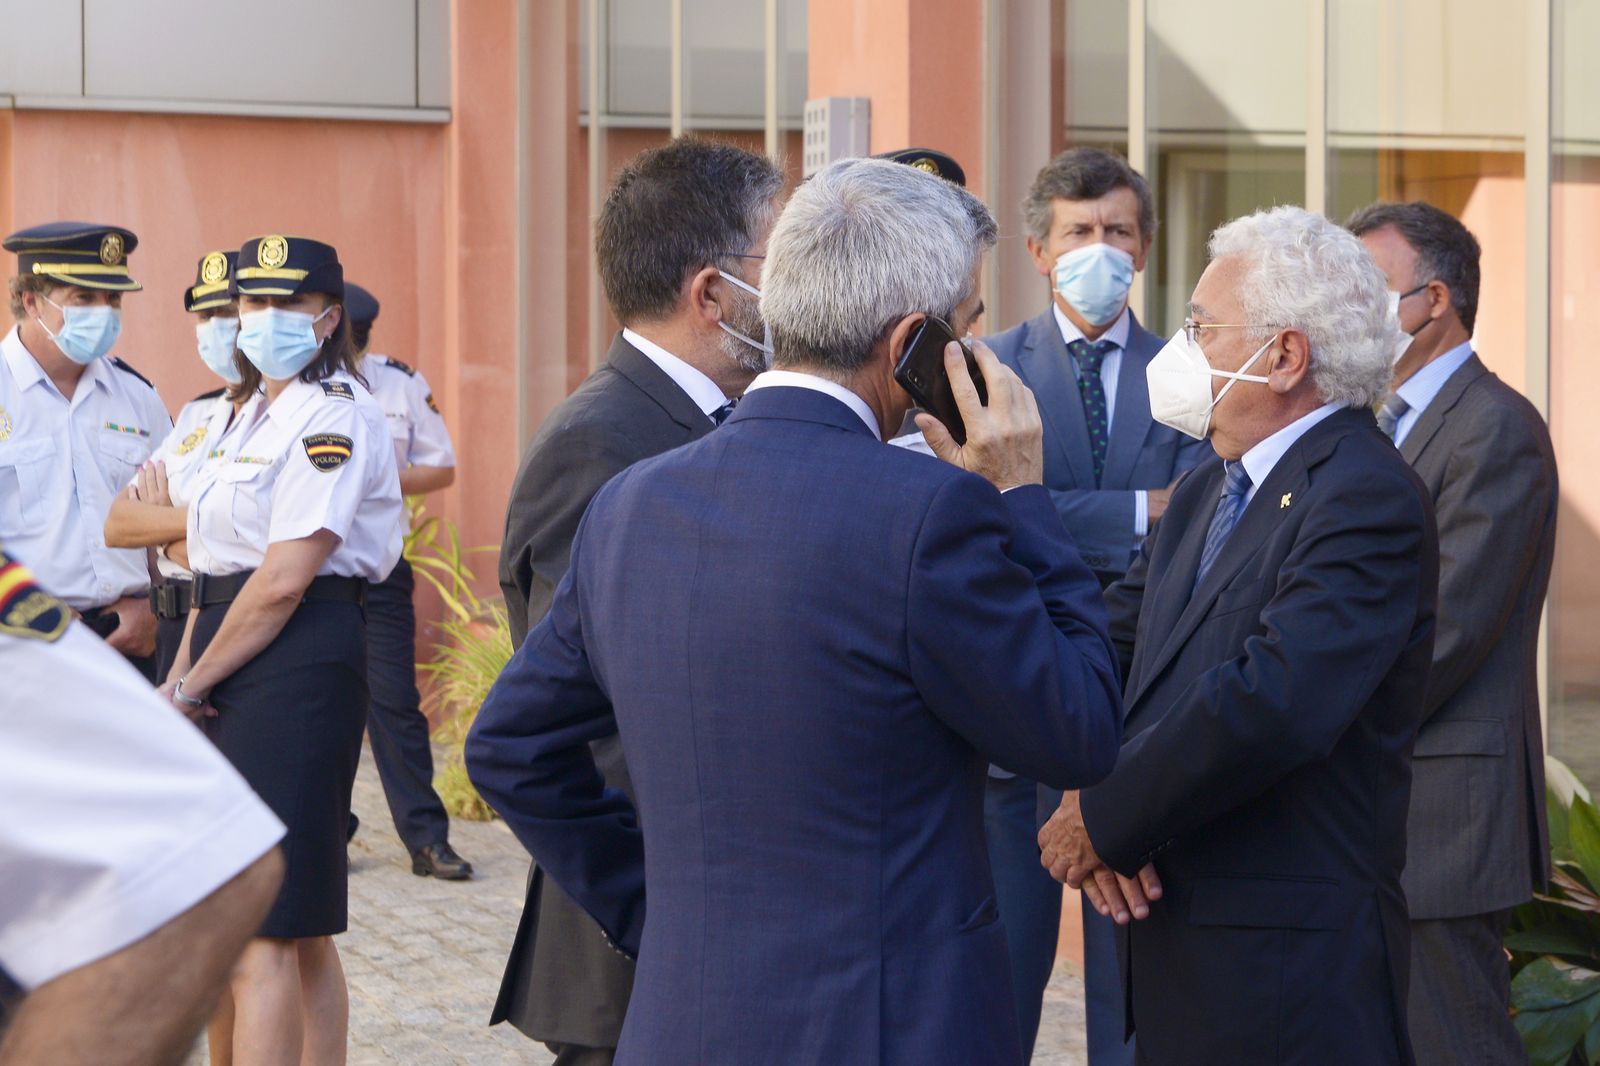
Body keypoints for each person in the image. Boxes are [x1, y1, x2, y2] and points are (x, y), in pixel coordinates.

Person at [467, 156, 1123, 1066]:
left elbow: (510, 746)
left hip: (684, 1018)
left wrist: (655, 910)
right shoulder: (932, 512)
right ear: (913, 346)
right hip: (888, 1028)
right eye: (969, 327)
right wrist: (1021, 495)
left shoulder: (632, 504)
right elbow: (1079, 728)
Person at [1037, 205, 1439, 1065]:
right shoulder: (1205, 493)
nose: (1180, 350)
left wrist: (1107, 818)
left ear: (1285, 355)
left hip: (1287, 980)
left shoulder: (1363, 495)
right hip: (1188, 948)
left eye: (1200, 328)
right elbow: (1113, 654)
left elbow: (1272, 702)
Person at [490, 137, 783, 1066]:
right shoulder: (605, 441)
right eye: (781, 264)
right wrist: (654, 908)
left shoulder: (714, 422)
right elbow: (590, 723)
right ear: (713, 294)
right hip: (643, 959)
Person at [984, 147, 1211, 1063]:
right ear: (1039, 251)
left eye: (1118, 230)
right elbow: (978, 519)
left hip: (1141, 727)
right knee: (1000, 989)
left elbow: (1196, 530)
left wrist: (1039, 504)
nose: (1100, 248)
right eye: (1079, 232)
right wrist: (1131, 512)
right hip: (1011, 720)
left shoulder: (1197, 376)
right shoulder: (986, 369)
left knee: (1135, 999)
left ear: (1147, 247)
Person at [161, 235, 402, 1066]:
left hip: (299, 656)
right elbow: (216, 570)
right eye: (250, 305)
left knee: (272, 921)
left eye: (284, 306)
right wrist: (180, 676)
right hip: (231, 644)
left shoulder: (334, 416)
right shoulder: (239, 417)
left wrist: (192, 683)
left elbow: (282, 580)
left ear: (327, 317)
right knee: (276, 925)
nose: (260, 320)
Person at [1350, 201, 1557, 1066]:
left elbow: (1453, 629)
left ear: (1433, 300)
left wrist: (1309, 712)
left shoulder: (1495, 428)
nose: (1349, 316)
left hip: (1445, 813)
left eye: (1369, 292)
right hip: (1382, 799)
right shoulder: (1374, 421)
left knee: (1454, 1039)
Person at [0, 545, 285, 1066]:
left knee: (285, 939)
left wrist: (185, 684)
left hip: (189, 638)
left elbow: (215, 856)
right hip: (186, 627)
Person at [342, 282, 472, 880]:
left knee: (394, 703)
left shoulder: (398, 383)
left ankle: (426, 839)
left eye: (358, 343)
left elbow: (442, 467)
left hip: (380, 568)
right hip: (309, 571)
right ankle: (328, 833)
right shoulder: (292, 389)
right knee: (318, 704)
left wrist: (384, 477)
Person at [0, 222, 170, 679]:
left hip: (131, 643)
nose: (104, 312)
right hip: (19, 649)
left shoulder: (138, 396)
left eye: (112, 300)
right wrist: (32, 611)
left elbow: (169, 521)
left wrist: (159, 609)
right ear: (31, 300)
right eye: (84, 298)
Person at [104, 249, 258, 682]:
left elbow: (258, 555)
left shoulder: (291, 414)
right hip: (172, 626)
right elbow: (117, 524)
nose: (215, 328)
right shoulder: (197, 414)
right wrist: (203, 529)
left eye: (227, 312)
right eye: (204, 316)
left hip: (239, 624)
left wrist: (163, 528)